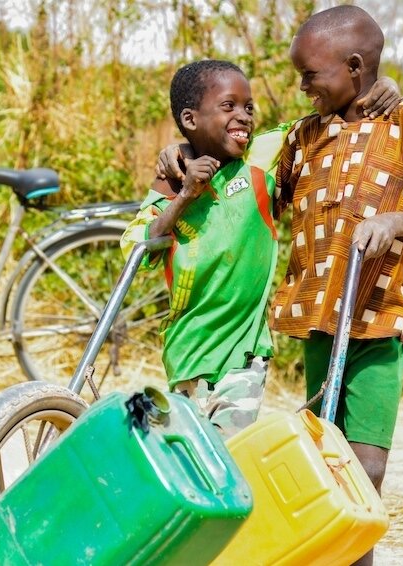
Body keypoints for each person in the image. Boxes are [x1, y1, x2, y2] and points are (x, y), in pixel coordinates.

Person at [158, 7, 403, 565]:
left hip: (376, 321)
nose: (301, 88)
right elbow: (244, 171)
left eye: (310, 76)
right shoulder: (304, 136)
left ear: (354, 67)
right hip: (316, 321)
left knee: (366, 467)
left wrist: (397, 221)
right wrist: (181, 155)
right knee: (326, 460)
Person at [121, 59, 277, 438]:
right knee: (192, 452)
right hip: (188, 349)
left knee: (228, 449)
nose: (243, 116)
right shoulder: (171, 184)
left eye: (248, 107)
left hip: (245, 352)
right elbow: (136, 251)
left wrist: (379, 84)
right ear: (191, 119)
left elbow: (321, 119)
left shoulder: (260, 159)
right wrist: (185, 195)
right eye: (229, 106)